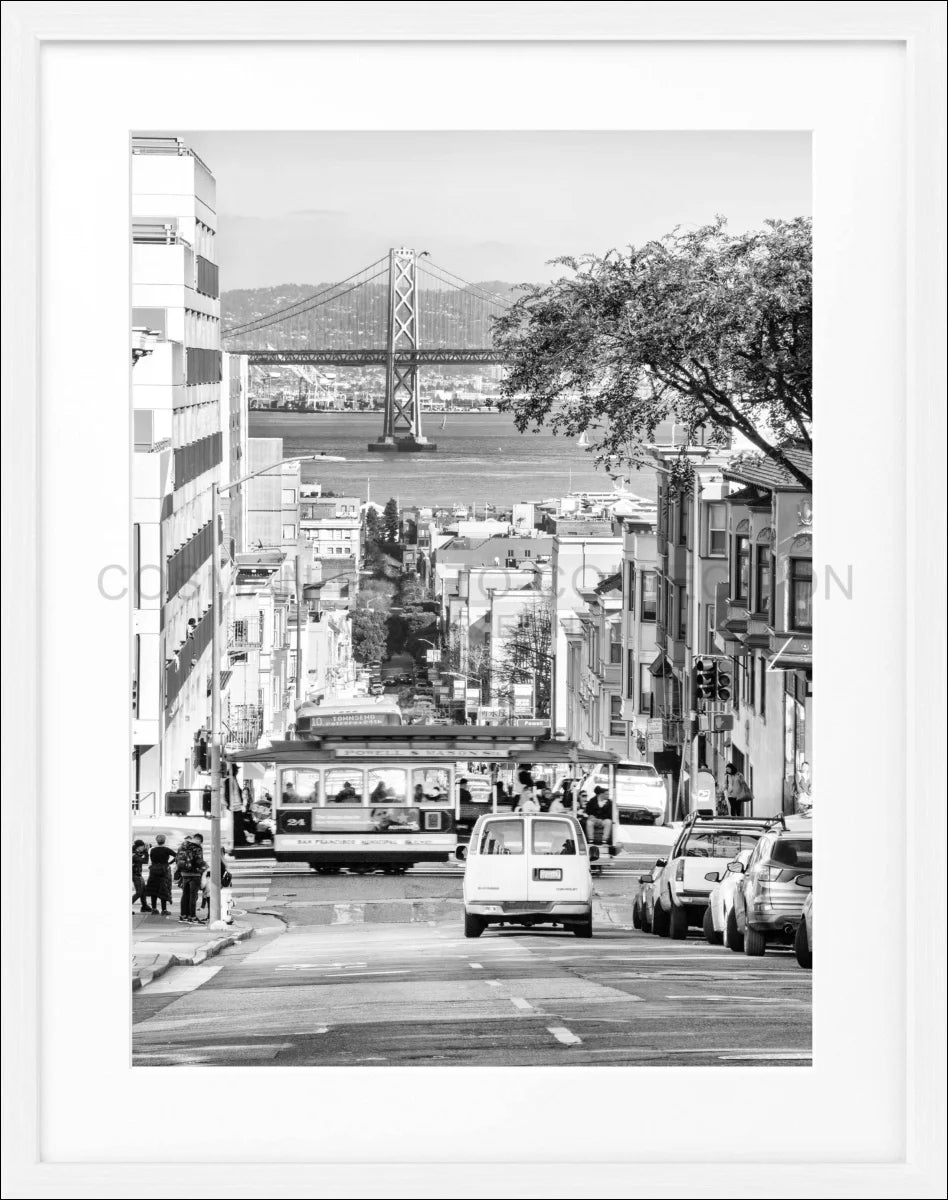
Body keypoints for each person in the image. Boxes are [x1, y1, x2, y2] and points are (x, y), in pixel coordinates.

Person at [176, 833, 207, 924]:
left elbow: (177, 859)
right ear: (200, 840)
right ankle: (192, 917)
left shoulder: (182, 846)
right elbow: (199, 861)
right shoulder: (197, 847)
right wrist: (206, 867)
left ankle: (183, 916)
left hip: (184, 874)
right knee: (193, 896)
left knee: (185, 895)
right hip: (194, 874)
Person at [144, 833, 176, 915]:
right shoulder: (166, 849)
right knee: (163, 890)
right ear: (164, 841)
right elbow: (177, 856)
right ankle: (164, 910)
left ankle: (154, 909)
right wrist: (169, 863)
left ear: (156, 841)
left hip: (154, 871)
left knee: (153, 890)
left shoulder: (153, 850)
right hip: (163, 871)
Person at [132, 840, 150, 914]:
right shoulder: (134, 855)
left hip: (138, 874)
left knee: (143, 890)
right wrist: (146, 852)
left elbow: (139, 855)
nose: (144, 847)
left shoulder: (135, 852)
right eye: (143, 846)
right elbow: (145, 861)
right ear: (138, 847)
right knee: (139, 892)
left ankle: (144, 906)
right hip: (135, 875)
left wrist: (144, 851)